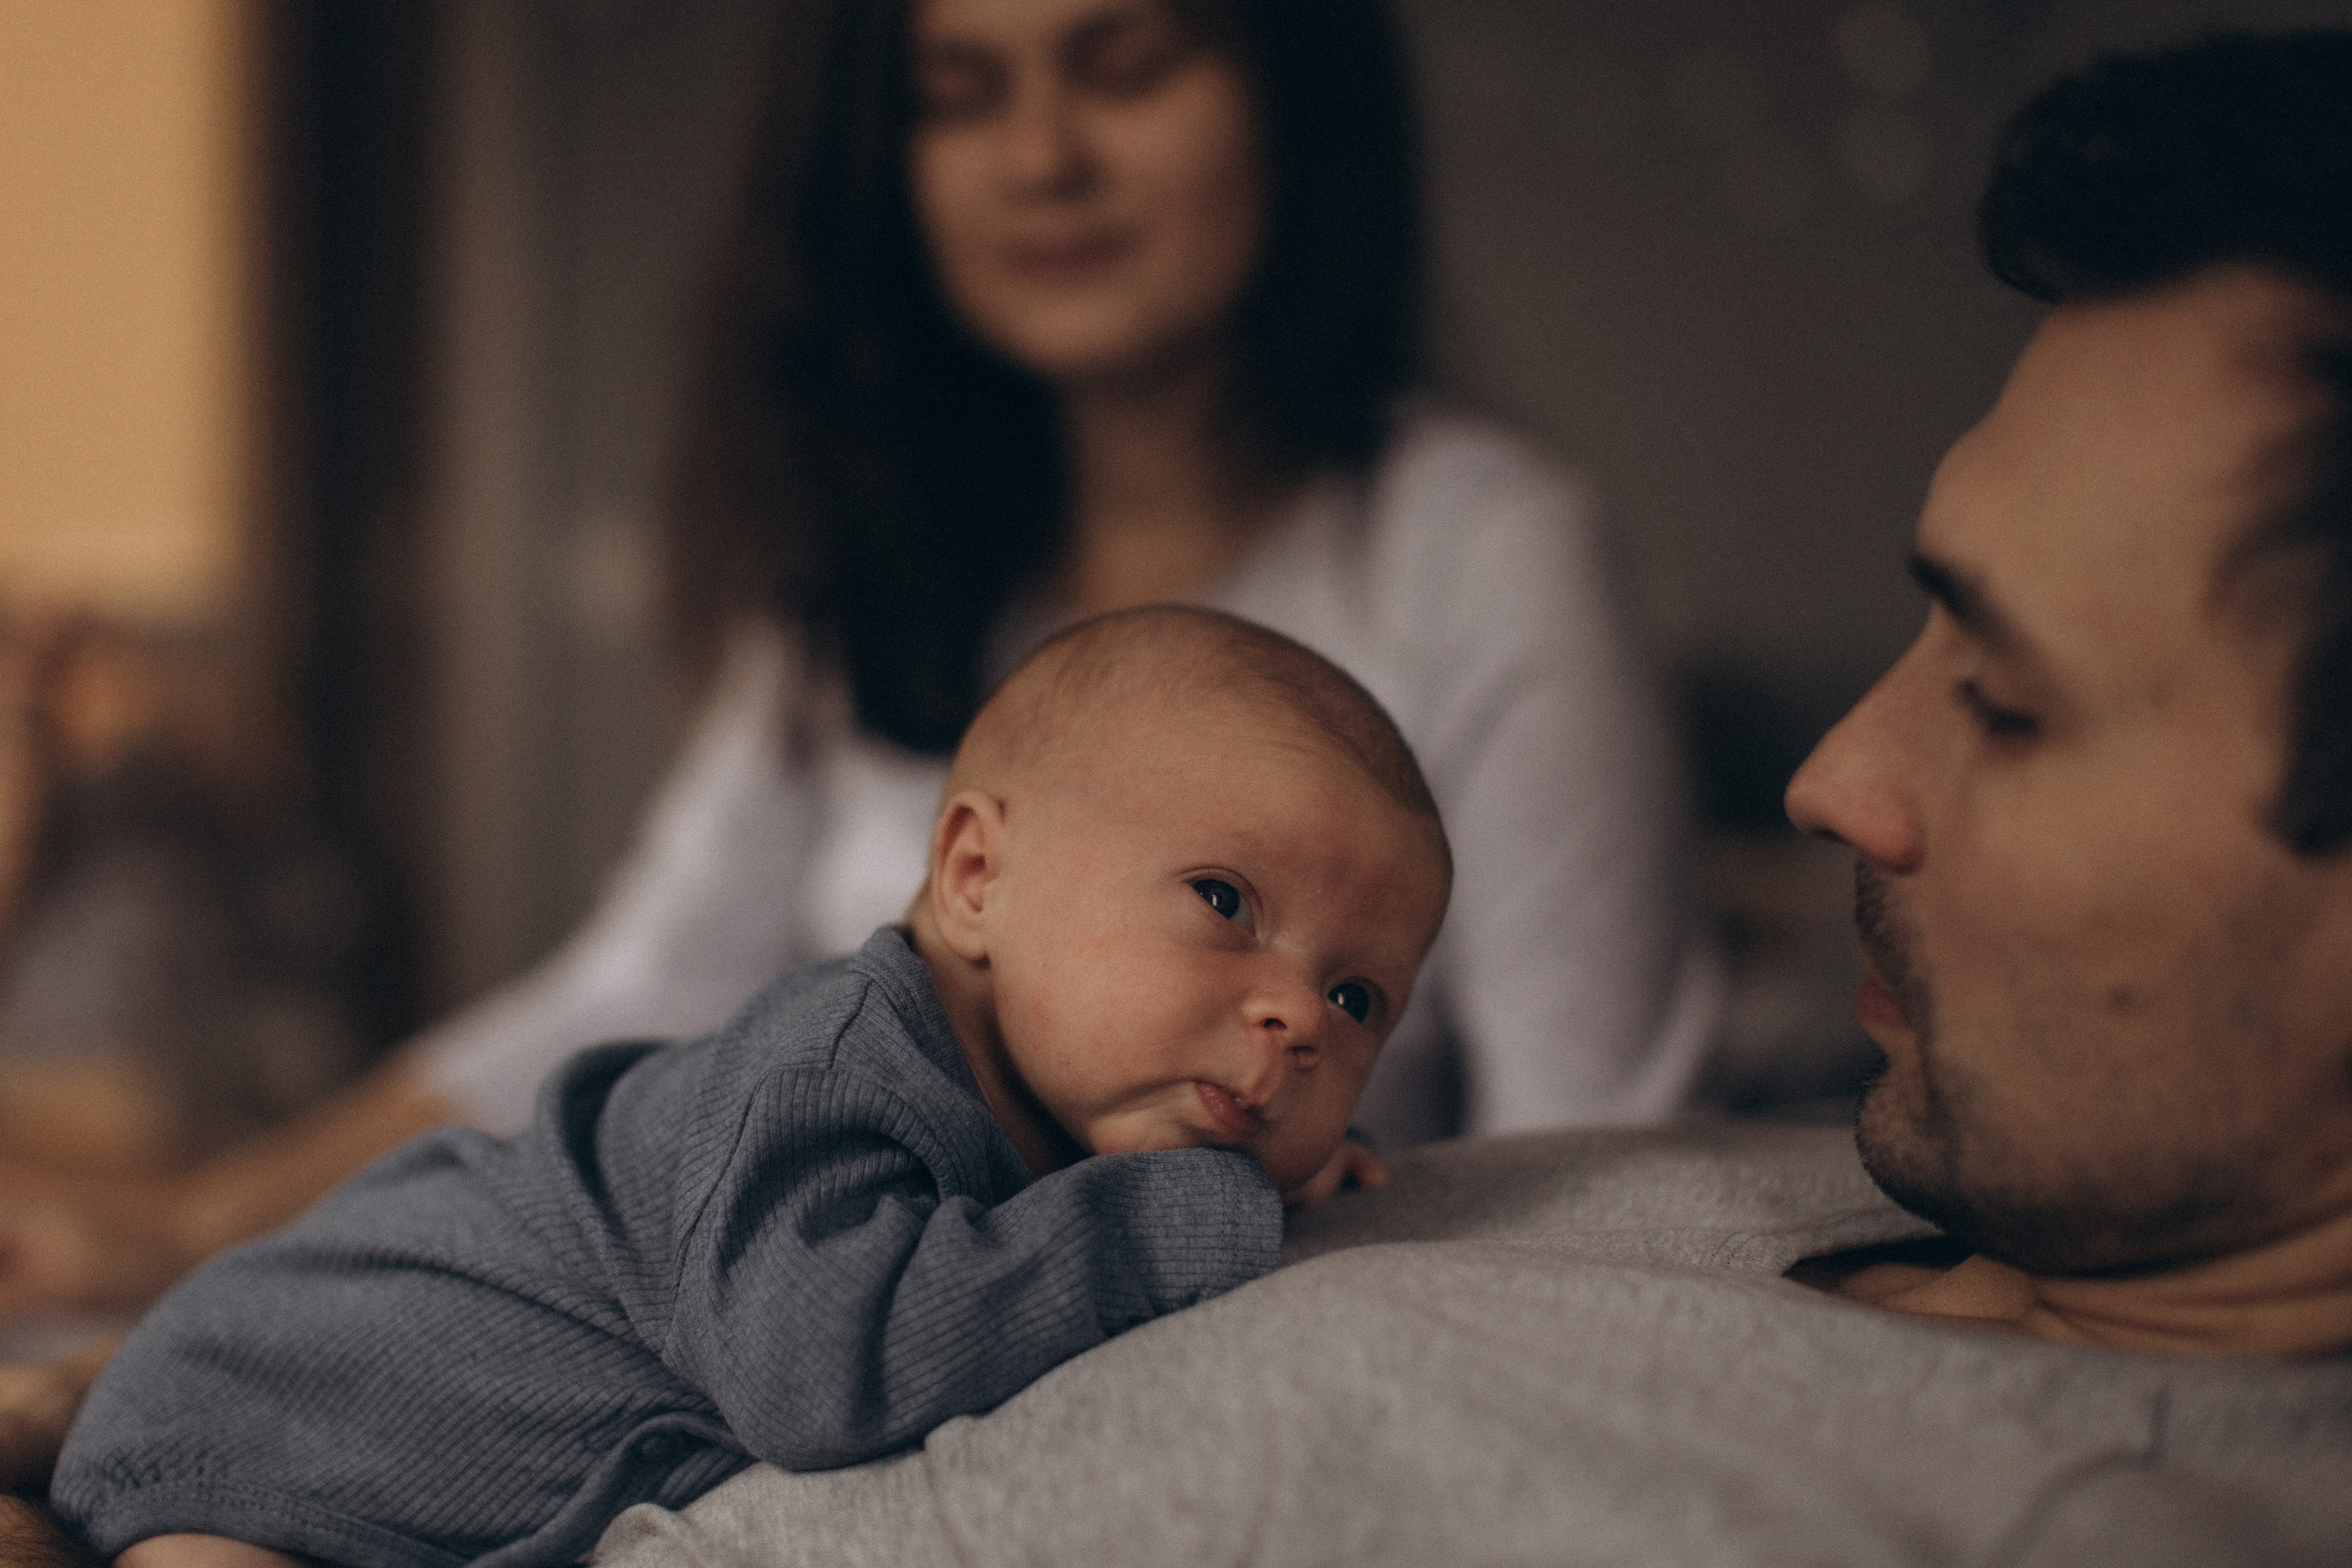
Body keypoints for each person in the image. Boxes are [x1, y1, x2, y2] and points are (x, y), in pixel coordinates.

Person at [555, 31, 2349, 1567]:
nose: (1830, 782)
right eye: (957, 93)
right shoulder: (1876, 1167)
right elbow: (634, 983)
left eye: (2008, 701)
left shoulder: (2025, 1507)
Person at [0, 0, 1715, 1460]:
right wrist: (203, 1224)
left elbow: (1586, 1162)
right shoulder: (877, 555)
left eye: (1122, 66)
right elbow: (633, 993)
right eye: (958, 94)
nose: (1042, 157)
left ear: (1289, 89)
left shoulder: (1483, 555)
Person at [49, 608, 1453, 1568]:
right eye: (1224, 900)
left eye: (1357, 998)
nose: (1296, 1020)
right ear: (977, 877)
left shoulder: (1046, 1100)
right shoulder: (835, 1064)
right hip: (268, 1418)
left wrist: (1250, 1164)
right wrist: (1180, 1216)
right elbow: (819, 1373)